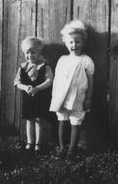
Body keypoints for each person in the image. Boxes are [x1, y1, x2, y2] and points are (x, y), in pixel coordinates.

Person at [49, 20, 95, 159]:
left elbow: (91, 82)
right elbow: (57, 80)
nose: (74, 45)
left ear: (83, 42)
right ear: (66, 43)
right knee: (62, 121)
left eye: (77, 42)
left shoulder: (86, 60)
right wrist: (55, 97)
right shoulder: (62, 60)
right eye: (71, 42)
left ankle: (71, 152)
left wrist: (88, 98)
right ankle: (62, 148)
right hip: (62, 97)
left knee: (76, 122)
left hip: (78, 98)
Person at [14, 36, 53, 151]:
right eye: (27, 53)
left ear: (39, 52)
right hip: (28, 97)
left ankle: (38, 143)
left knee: (39, 120)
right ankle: (30, 141)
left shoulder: (45, 66)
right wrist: (26, 88)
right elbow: (16, 82)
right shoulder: (23, 67)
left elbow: (50, 80)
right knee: (29, 119)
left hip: (40, 97)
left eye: (33, 52)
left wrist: (37, 88)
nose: (30, 56)